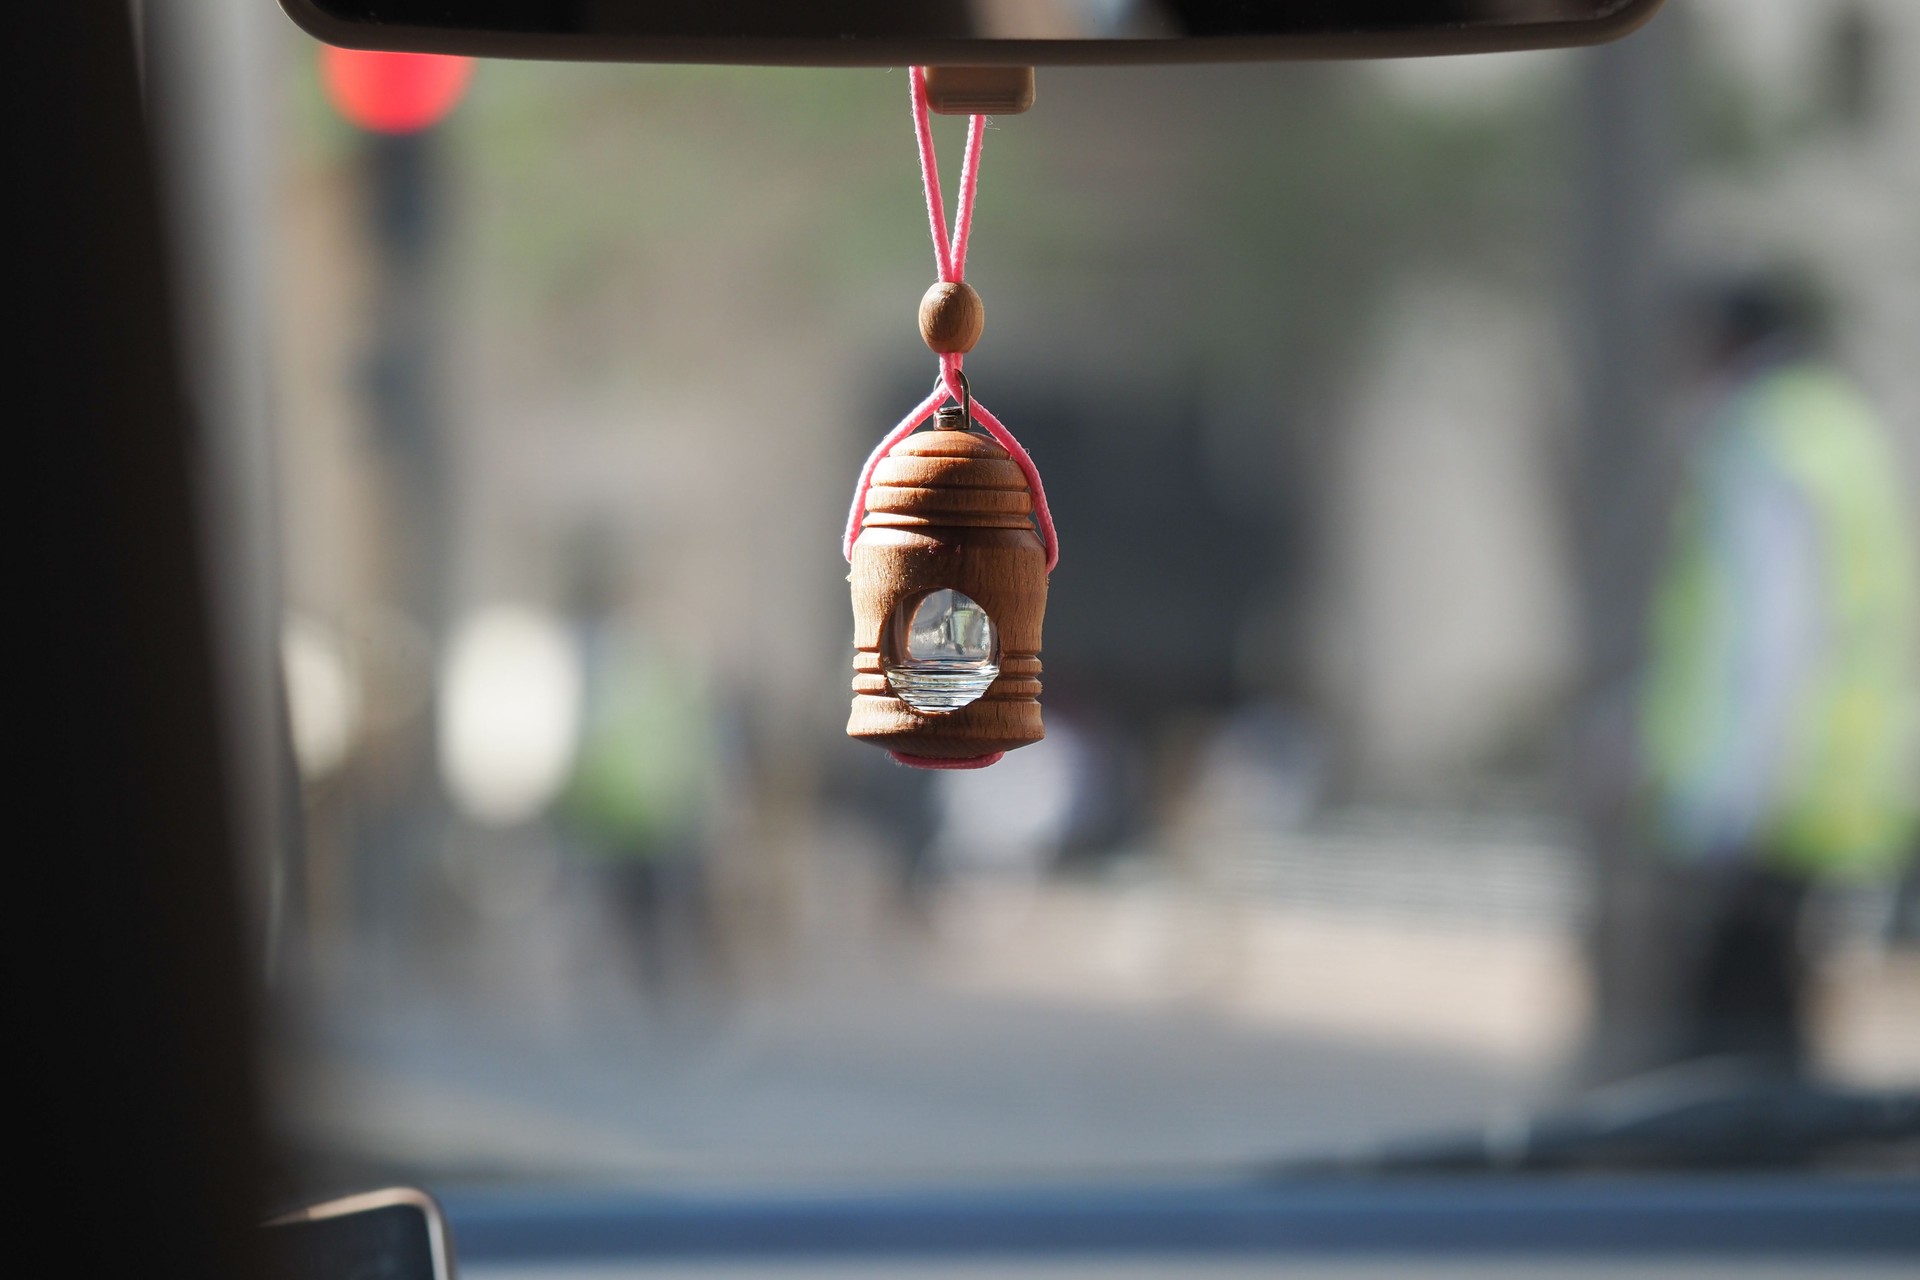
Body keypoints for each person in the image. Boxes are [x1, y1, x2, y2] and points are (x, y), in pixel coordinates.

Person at [1636, 276, 1918, 1073]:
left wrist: (1731, 800)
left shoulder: (1763, 437)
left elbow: (1773, 632)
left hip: (1773, 794)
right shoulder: (1837, 425)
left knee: (1734, 1044)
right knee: (1771, 1023)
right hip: (1836, 783)